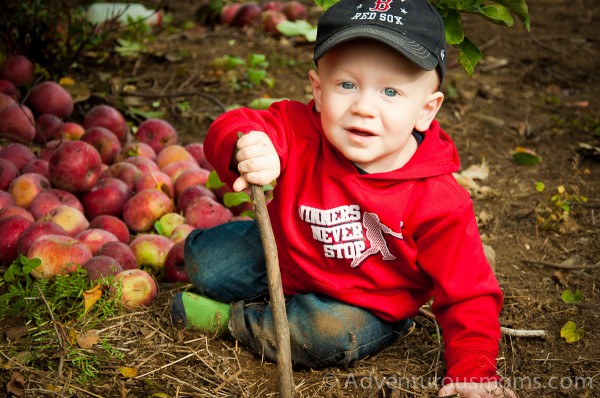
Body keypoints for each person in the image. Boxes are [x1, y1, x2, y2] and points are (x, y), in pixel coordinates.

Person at [171, 0, 516, 396]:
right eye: (347, 85)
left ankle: (234, 322)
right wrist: (246, 145)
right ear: (318, 90)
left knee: (322, 333)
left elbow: (469, 294)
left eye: (390, 91)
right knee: (203, 259)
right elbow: (234, 123)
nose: (364, 108)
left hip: (368, 302)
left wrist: (473, 370)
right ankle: (277, 298)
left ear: (426, 110)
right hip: (292, 260)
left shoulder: (438, 198)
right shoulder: (301, 131)